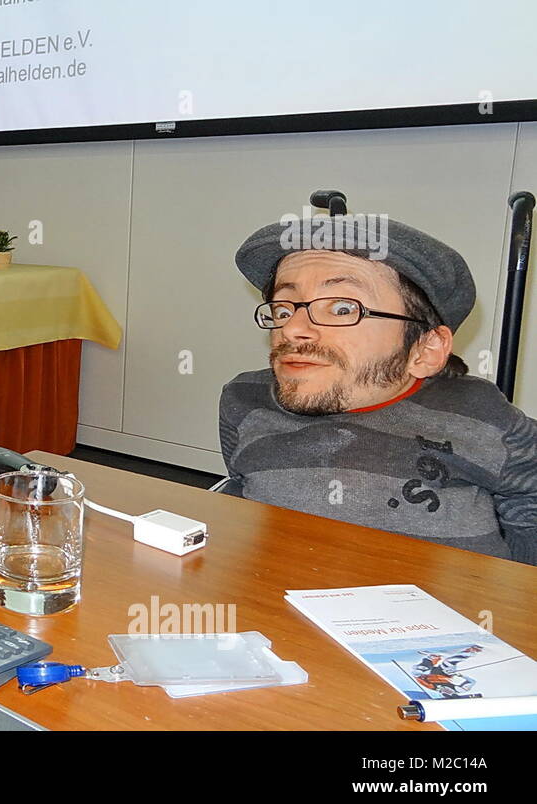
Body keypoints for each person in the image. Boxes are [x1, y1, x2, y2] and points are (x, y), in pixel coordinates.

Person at [219, 212, 537, 565]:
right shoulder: (244, 398)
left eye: (342, 308)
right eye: (283, 308)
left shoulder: (480, 415)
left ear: (424, 349)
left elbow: (531, 496)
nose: (292, 329)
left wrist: (520, 594)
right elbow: (240, 488)